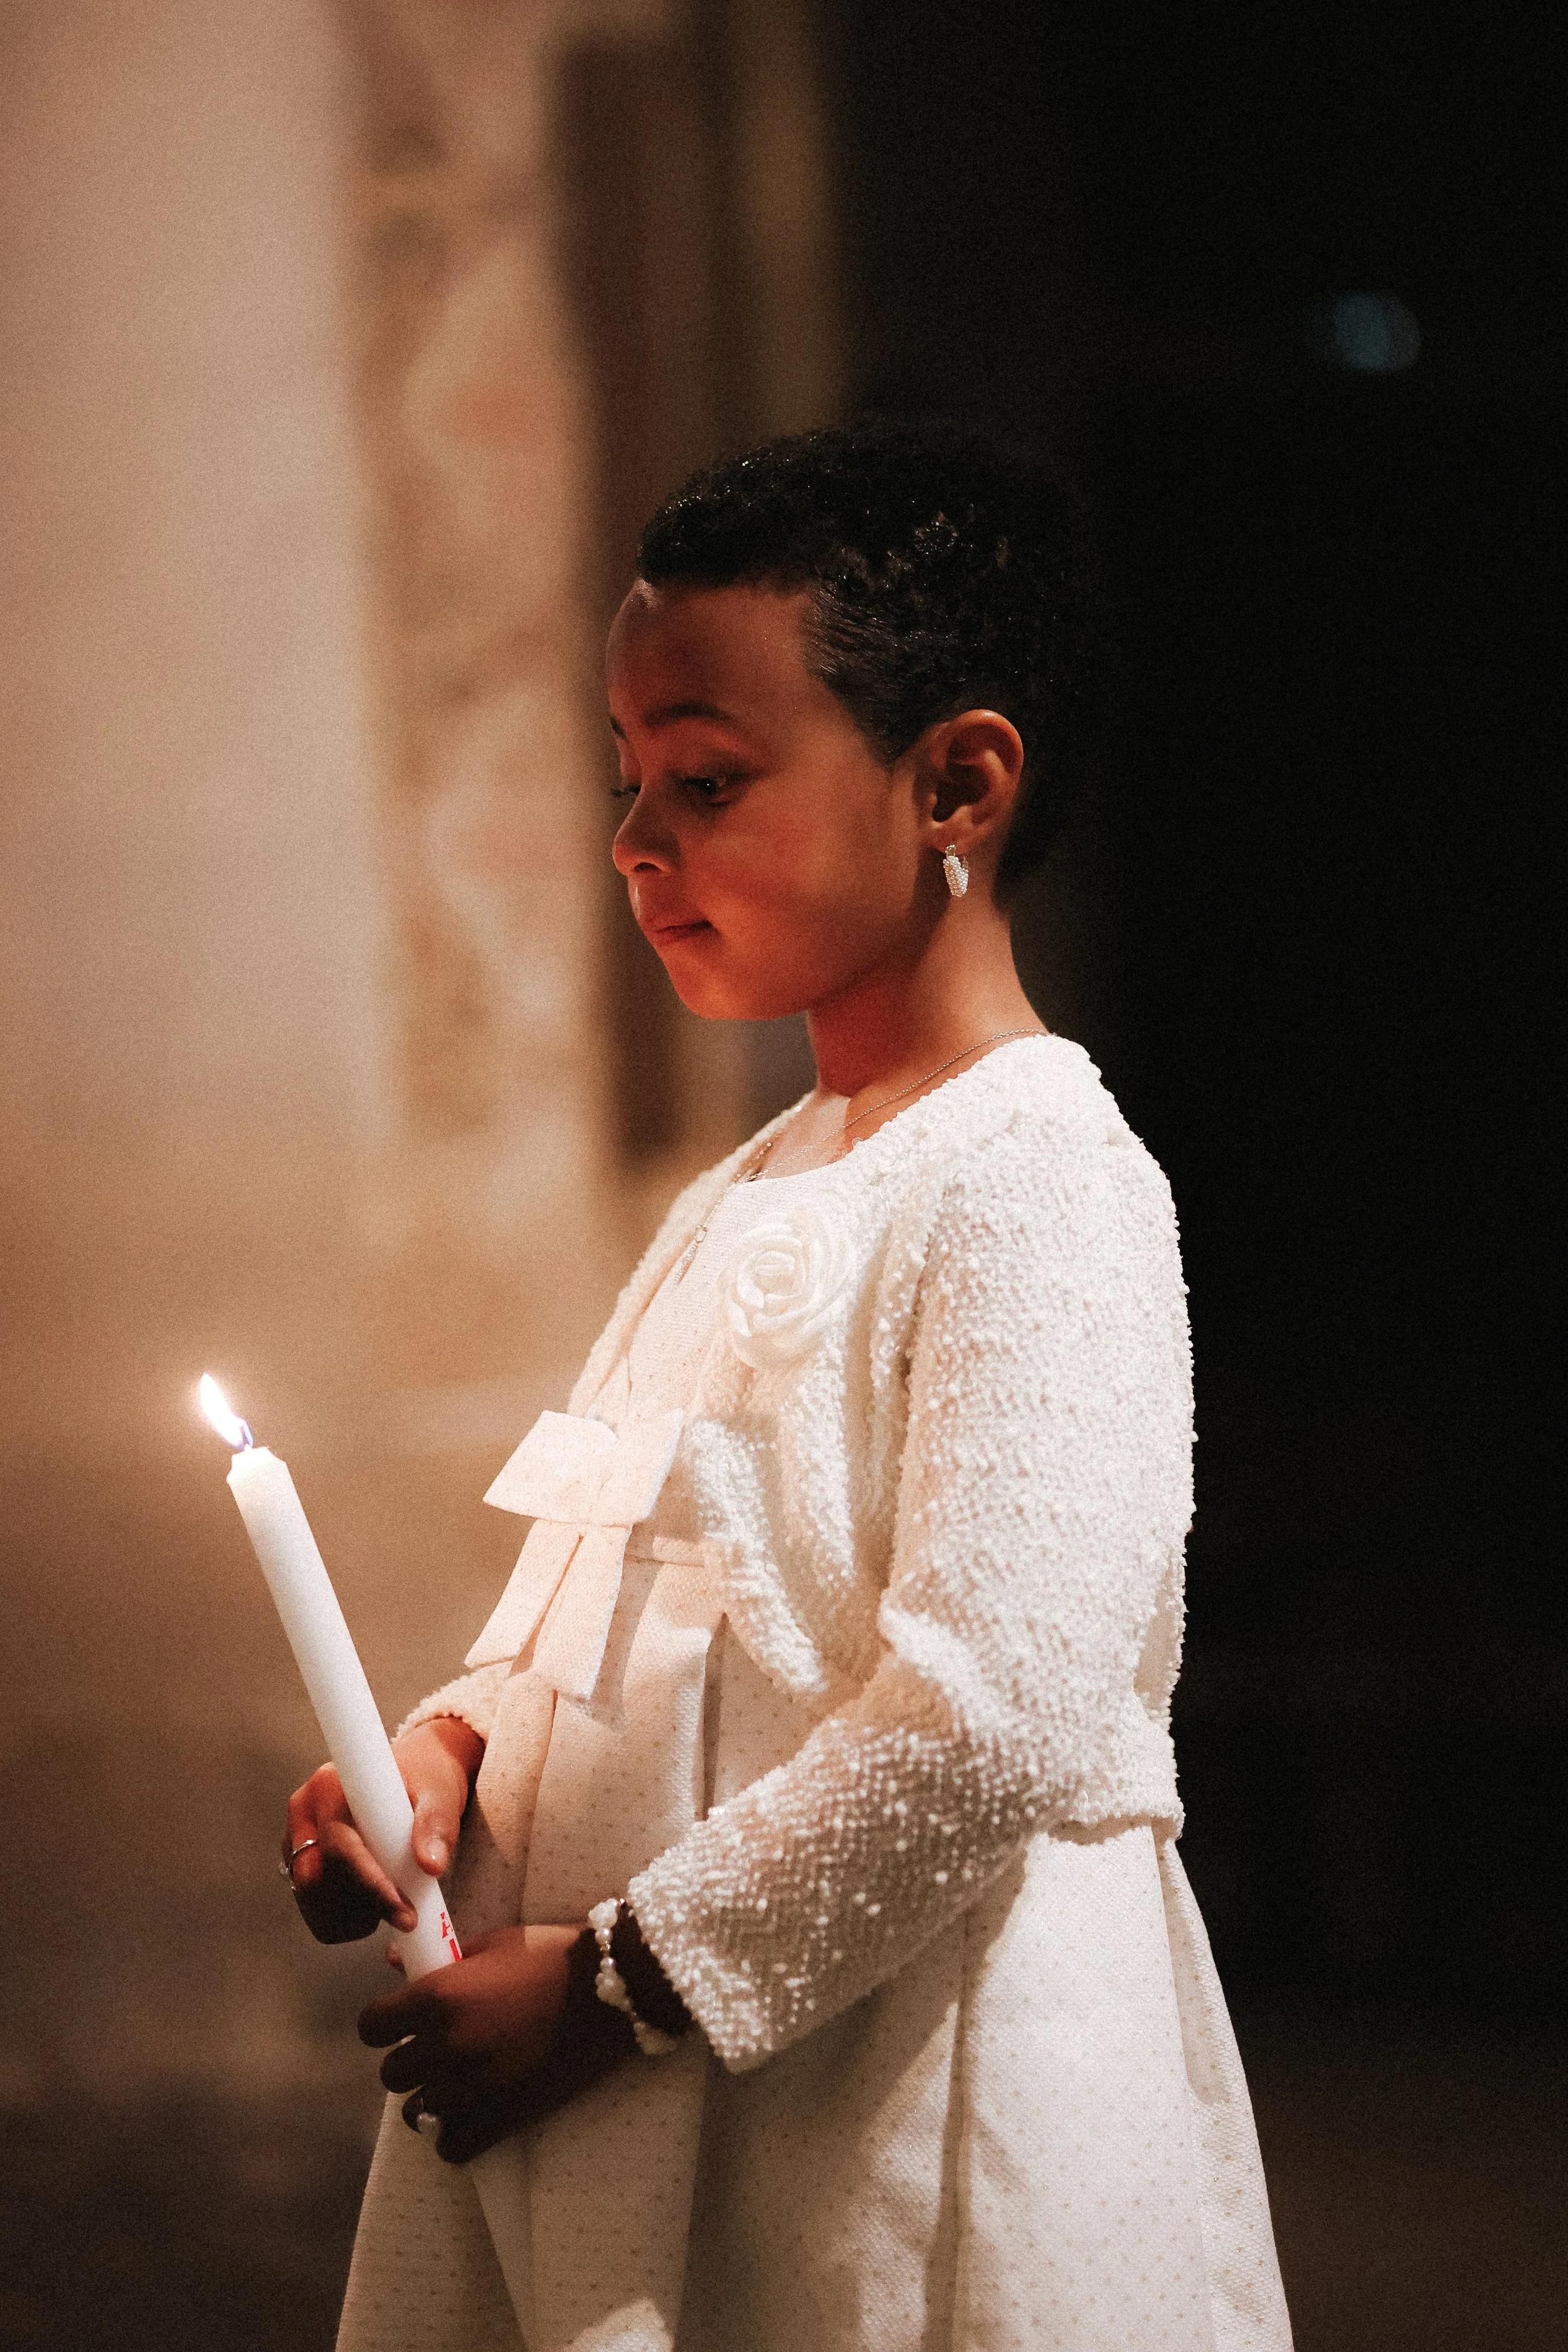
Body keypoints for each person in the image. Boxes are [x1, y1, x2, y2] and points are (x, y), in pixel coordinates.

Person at [283, 418, 1293, 2352]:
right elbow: (602, 1585)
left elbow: (996, 1707)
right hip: (641, 2112)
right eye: (628, 778)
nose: (634, 841)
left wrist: (614, 1990)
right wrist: (443, 1759)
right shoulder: (747, 1185)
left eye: (709, 777)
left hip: (903, 2094)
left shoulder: (1039, 1178)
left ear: (957, 782)